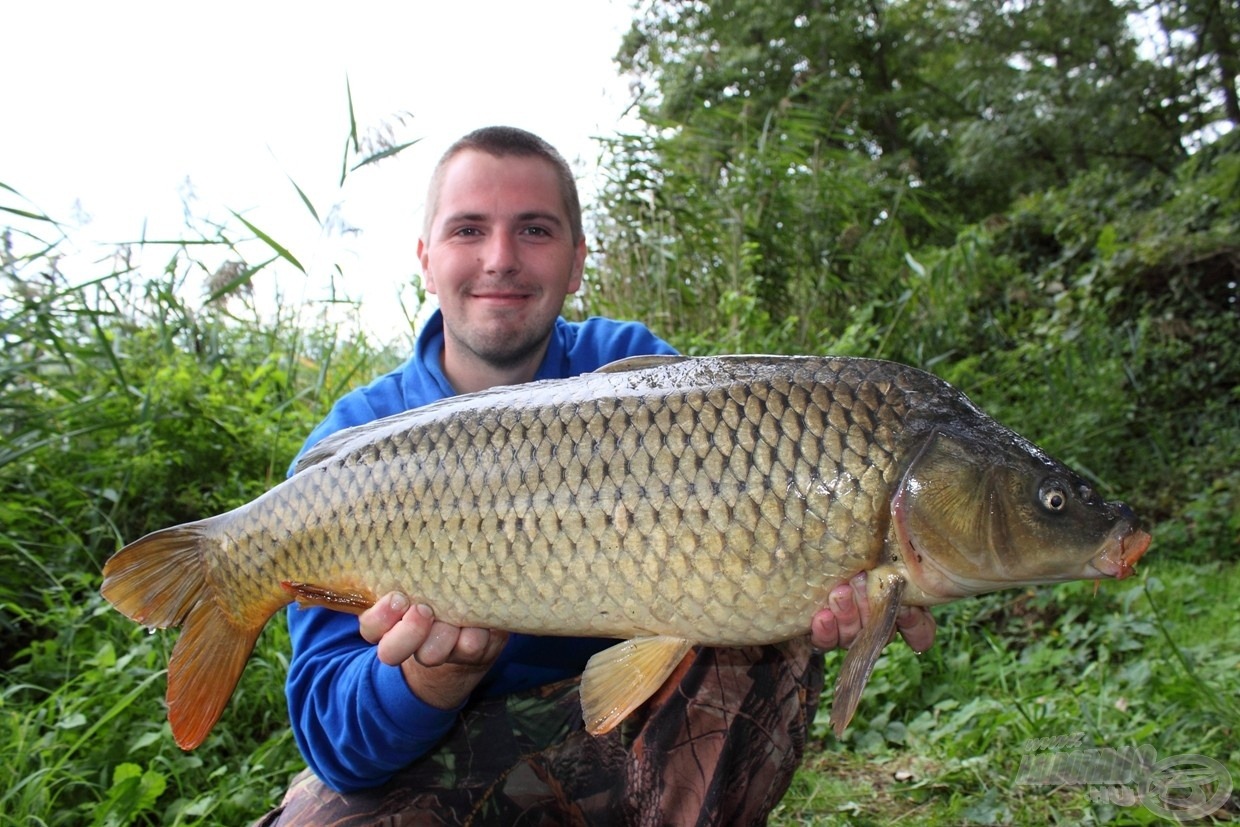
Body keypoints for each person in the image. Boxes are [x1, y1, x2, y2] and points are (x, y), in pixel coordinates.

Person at [257, 126, 936, 825]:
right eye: (468, 229)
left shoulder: (644, 373)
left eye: (535, 230)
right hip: (443, 757)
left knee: (766, 637)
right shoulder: (347, 449)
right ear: (425, 260)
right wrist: (431, 675)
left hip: (633, 740)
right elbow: (335, 749)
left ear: (577, 261)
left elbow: (760, 525)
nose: (501, 258)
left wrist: (840, 568)